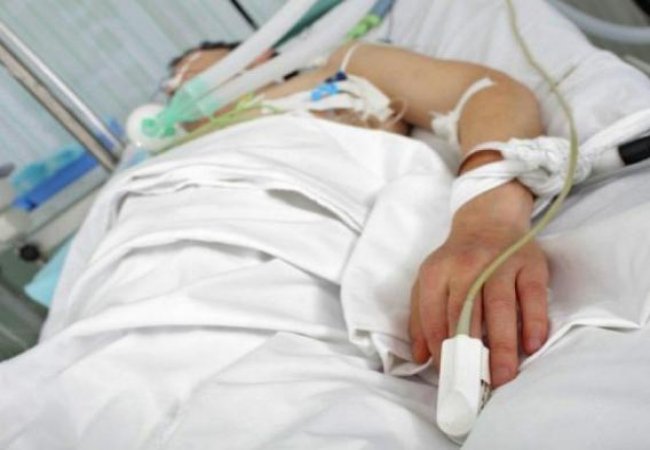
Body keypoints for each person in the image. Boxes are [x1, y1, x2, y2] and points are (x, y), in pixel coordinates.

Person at [164, 39, 549, 388]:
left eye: (190, 66)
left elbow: (490, 96)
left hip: (292, 244)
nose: (176, 85)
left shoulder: (335, 71)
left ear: (258, 57)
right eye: (171, 91)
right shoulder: (174, 154)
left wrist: (487, 221)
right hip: (168, 234)